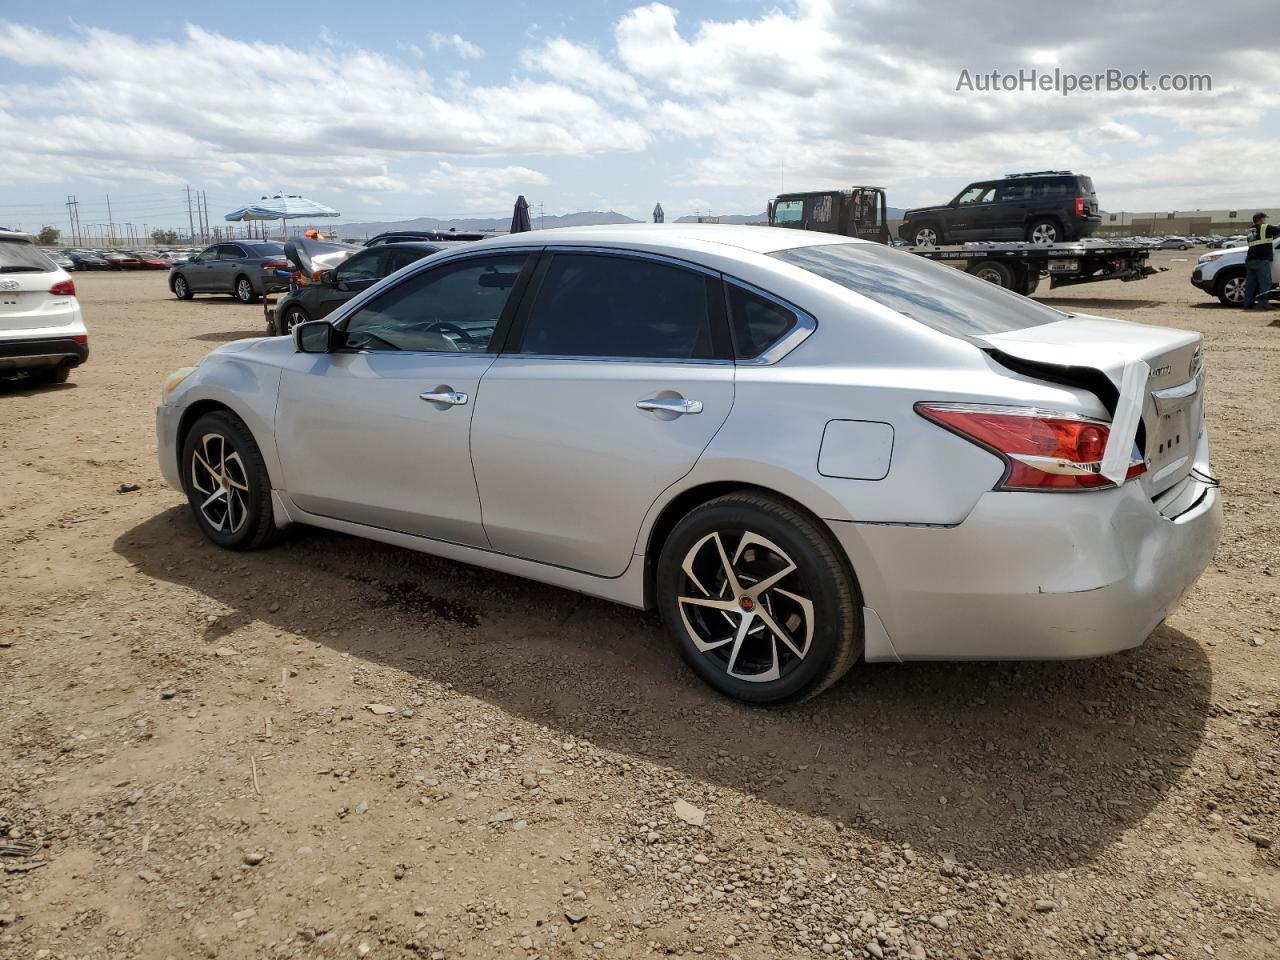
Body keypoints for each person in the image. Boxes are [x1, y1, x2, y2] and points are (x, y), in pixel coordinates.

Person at [1242, 212, 1276, 310]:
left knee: (1250, 284)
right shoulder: (1266, 227)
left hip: (1250, 260)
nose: (1265, 220)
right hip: (1262, 260)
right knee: (1265, 283)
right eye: (1264, 219)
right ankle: (1263, 303)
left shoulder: (1250, 230)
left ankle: (1248, 303)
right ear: (1261, 219)